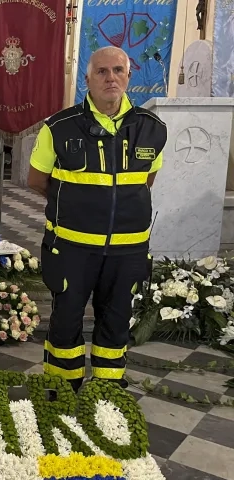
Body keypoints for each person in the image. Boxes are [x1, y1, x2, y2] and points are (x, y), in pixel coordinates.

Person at [27, 46, 167, 392]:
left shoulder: (151, 129)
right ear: (86, 79)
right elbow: (36, 180)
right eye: (102, 72)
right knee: (66, 321)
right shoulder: (59, 127)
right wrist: (75, 206)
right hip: (72, 248)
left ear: (128, 77)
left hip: (128, 251)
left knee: (117, 323)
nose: (110, 78)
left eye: (118, 70)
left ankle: (107, 391)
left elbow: (147, 180)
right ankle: (61, 391)